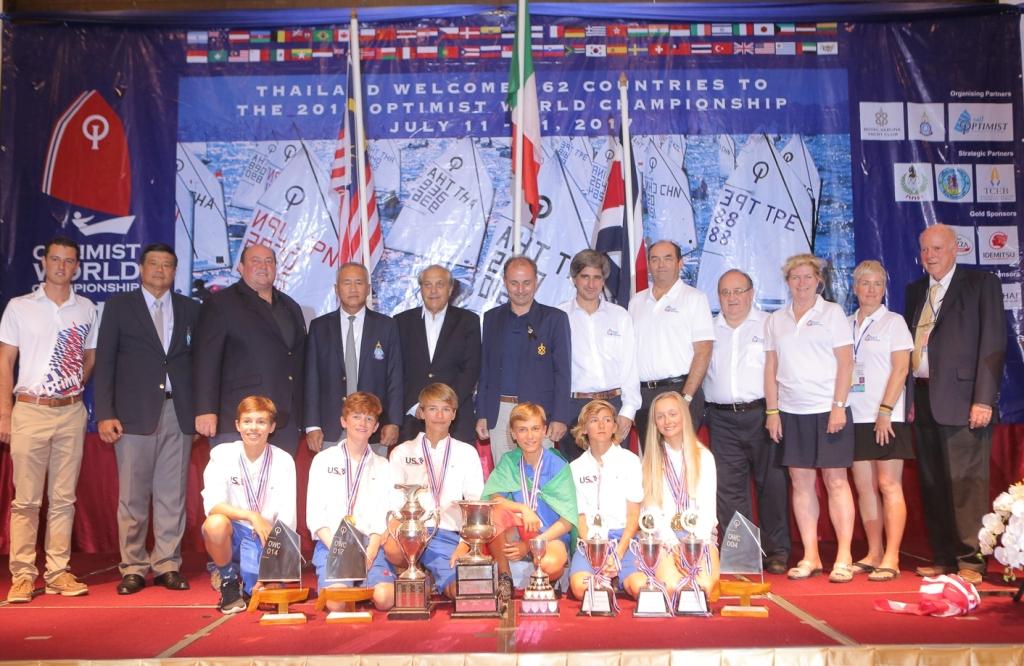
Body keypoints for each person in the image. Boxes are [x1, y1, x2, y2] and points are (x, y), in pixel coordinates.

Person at [93, 243, 200, 595]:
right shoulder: (119, 307)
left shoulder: (190, 309)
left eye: (167, 265)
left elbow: (197, 364)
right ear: (141, 268)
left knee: (172, 496)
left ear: (175, 271)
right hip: (133, 414)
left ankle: (167, 563)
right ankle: (134, 567)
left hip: (177, 413)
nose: (160, 270)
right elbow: (105, 362)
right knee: (133, 496)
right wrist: (105, 413)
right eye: (153, 264)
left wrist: (198, 412)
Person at [906, 223, 1006, 584]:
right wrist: (908, 397)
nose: (929, 256)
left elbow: (994, 344)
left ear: (955, 249)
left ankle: (971, 562)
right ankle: (944, 558)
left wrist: (983, 399)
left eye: (937, 248)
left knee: (966, 484)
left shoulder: (981, 285)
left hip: (964, 401)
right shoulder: (916, 290)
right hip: (922, 398)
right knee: (934, 485)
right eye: (925, 250)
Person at [1, 236, 97, 603]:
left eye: (69, 261)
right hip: (29, 409)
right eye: (55, 259)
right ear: (44, 262)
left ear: (76, 267)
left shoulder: (86, 308)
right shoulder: (20, 306)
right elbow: (5, 362)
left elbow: (90, 356)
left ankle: (57, 571)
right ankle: (23, 575)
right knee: (25, 501)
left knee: (63, 499)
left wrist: (73, 387)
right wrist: (5, 414)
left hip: (71, 412)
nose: (61, 266)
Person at [764, 253, 856, 583]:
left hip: (828, 411)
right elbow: (771, 368)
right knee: (801, 485)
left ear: (819, 280)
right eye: (795, 278)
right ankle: (811, 556)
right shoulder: (776, 319)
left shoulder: (832, 314)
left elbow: (846, 364)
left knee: (835, 481)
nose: (801, 283)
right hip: (791, 411)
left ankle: (844, 557)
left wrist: (838, 405)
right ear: (787, 281)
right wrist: (772, 412)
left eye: (808, 277)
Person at [702, 269, 790, 575]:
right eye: (726, 293)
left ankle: (777, 551)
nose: (732, 299)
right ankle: (742, 554)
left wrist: (774, 411)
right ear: (718, 297)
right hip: (721, 418)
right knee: (729, 489)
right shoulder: (709, 330)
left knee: (773, 484)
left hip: (763, 414)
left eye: (738, 291)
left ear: (751, 294)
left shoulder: (769, 324)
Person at [193, 245, 306, 455]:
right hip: (237, 420)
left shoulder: (290, 306)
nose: (264, 266)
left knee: (277, 486)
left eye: (269, 261)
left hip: (285, 422)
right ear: (241, 267)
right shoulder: (220, 304)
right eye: (256, 261)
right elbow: (206, 360)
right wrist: (205, 409)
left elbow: (297, 360)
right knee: (237, 487)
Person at [383, 383, 485, 601]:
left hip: (450, 533)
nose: (439, 415)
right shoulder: (402, 452)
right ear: (421, 412)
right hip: (412, 531)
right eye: (432, 408)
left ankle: (429, 578)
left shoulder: (467, 453)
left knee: (461, 591)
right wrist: (395, 531)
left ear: (454, 414)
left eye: (446, 409)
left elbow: (476, 502)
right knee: (391, 548)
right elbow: (392, 499)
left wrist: (466, 543)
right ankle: (413, 572)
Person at [846, 260, 914, 582]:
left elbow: (902, 368)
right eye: (865, 283)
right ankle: (874, 551)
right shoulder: (845, 324)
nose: (871, 289)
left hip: (886, 416)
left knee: (888, 485)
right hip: (854, 416)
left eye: (877, 284)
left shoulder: (894, 322)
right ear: (855, 287)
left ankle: (892, 556)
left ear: (884, 288)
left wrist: (885, 410)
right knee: (864, 488)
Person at [200, 396, 297, 614]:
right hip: (234, 533)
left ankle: (250, 578)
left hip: (267, 538)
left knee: (267, 600)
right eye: (247, 421)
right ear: (237, 425)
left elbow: (287, 518)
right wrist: (253, 516)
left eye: (261, 422)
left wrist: (274, 566)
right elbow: (213, 505)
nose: (253, 428)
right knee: (215, 524)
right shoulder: (222, 454)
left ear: (272, 427)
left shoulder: (283, 461)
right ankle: (228, 580)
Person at [476, 256, 571, 466]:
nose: (520, 289)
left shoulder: (554, 318)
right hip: (499, 413)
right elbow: (485, 370)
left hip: (538, 413)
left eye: (526, 283)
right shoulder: (491, 318)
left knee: (539, 479)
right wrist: (482, 413)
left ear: (536, 282)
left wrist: (559, 417)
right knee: (505, 476)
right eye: (514, 283)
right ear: (504, 282)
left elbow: (562, 373)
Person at [306, 392, 395, 611]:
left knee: (385, 599)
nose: (362, 423)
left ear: (375, 427)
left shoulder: (383, 465)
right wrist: (343, 550)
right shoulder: (323, 460)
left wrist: (373, 548)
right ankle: (351, 589)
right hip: (332, 544)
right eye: (356, 417)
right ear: (344, 421)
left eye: (369, 418)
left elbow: (384, 513)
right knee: (337, 603)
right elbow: (315, 514)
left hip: (369, 546)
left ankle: (364, 586)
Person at [305, 262, 402, 456]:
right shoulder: (319, 327)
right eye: (346, 282)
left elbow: (395, 377)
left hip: (373, 428)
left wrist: (393, 421)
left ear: (368, 288)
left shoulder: (387, 326)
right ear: (336, 289)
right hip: (329, 429)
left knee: (371, 484)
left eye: (359, 282)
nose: (353, 288)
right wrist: (312, 425)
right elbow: (311, 379)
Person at [482, 402, 577, 587]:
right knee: (493, 513)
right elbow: (493, 498)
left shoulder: (558, 466)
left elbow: (567, 521)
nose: (530, 436)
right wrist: (522, 508)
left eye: (535, 428)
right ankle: (505, 577)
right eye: (522, 430)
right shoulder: (509, 461)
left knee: (549, 565)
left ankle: (547, 580)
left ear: (545, 430)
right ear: (513, 433)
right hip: (519, 530)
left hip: (549, 535)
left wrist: (530, 545)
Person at [629, 240, 714, 444]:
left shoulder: (695, 298)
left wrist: (686, 398)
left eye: (668, 258)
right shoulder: (636, 302)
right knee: (652, 462)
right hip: (644, 396)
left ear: (680, 263)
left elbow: (703, 350)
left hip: (680, 391)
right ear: (648, 264)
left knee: (680, 462)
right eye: (655, 259)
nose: (661, 265)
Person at [558, 250, 640, 461]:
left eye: (597, 277)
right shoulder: (558, 317)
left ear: (604, 280)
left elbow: (630, 367)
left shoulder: (620, 315)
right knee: (577, 479)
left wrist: (627, 412)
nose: (591, 284)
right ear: (574, 279)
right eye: (585, 276)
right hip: (574, 409)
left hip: (614, 406)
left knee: (615, 478)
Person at [640, 391, 720, 599]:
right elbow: (651, 513)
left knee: (701, 588)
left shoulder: (704, 457)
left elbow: (708, 511)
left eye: (673, 414)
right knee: (672, 588)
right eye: (660, 416)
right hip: (665, 539)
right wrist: (674, 545)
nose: (667, 421)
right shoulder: (649, 462)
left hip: (700, 539)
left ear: (684, 416)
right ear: (654, 423)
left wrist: (692, 547)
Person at [568, 399, 645, 600]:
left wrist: (618, 554)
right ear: (584, 429)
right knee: (580, 589)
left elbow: (634, 518)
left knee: (641, 588)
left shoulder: (630, 461)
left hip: (624, 541)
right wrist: (595, 554)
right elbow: (581, 518)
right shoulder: (575, 468)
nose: (601, 425)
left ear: (614, 426)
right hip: (591, 542)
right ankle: (602, 579)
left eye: (607, 419)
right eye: (594, 420)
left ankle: (620, 578)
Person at [395, 265, 481, 444]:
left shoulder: (468, 321)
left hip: (456, 420)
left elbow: (471, 369)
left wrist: (444, 407)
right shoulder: (401, 322)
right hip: (414, 418)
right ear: (421, 289)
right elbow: (396, 371)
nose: (433, 291)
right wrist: (417, 406)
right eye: (427, 285)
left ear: (450, 289)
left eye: (440, 285)